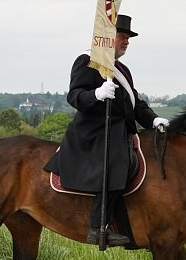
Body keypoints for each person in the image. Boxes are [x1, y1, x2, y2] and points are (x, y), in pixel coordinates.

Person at [45, 14, 169, 246]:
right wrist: (96, 94)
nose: (127, 42)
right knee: (118, 162)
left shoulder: (122, 69)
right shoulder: (87, 61)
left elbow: (134, 102)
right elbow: (74, 96)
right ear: (108, 38)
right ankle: (97, 227)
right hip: (92, 133)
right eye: (123, 36)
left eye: (128, 38)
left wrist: (153, 120)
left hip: (119, 132)